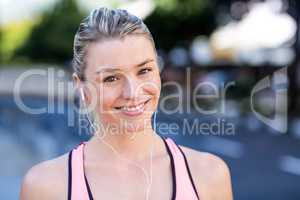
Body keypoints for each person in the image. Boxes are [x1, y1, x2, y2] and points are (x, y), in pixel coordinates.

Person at [20, 7, 233, 200]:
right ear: (81, 86)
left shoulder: (209, 175)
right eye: (111, 78)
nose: (133, 92)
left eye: (144, 71)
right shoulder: (45, 187)